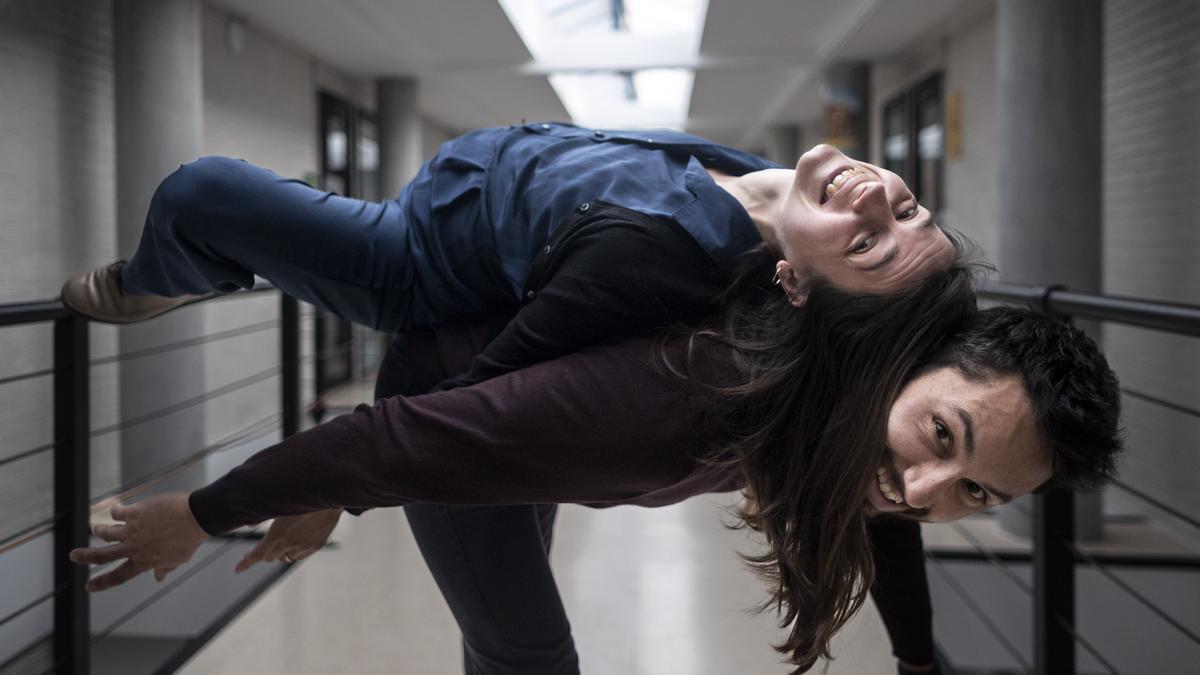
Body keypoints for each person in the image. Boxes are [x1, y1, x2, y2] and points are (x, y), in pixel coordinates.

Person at [62, 123, 956, 673]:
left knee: (199, 191)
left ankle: (162, 276)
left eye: (869, 242)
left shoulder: (656, 257)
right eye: (908, 213)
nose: (879, 197)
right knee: (510, 635)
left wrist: (320, 486)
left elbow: (475, 392)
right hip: (461, 188)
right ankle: (203, 261)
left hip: (421, 259)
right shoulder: (786, 189)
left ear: (797, 286)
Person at [68, 258, 1123, 674]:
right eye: (944, 443)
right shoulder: (683, 403)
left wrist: (920, 662)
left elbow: (887, 509)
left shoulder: (862, 416)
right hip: (441, 392)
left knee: (510, 628)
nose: (933, 492)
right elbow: (403, 440)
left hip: (511, 416)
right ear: (910, 368)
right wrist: (206, 515)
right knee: (530, 653)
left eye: (979, 493)